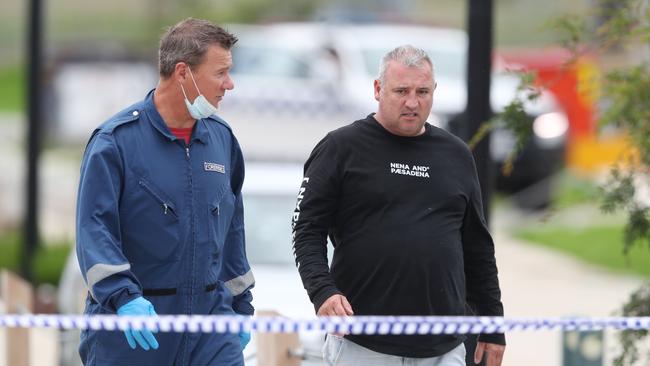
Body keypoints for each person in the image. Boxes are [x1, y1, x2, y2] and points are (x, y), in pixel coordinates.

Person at [291, 45, 506, 366]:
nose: (412, 102)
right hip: (362, 341)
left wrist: (493, 325)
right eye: (401, 91)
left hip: (443, 346)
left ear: (435, 91)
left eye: (422, 92)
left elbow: (477, 248)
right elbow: (306, 230)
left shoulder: (457, 154)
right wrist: (323, 292)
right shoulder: (341, 147)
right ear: (378, 89)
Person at [75, 18, 254, 365]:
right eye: (220, 73)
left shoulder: (222, 140)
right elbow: (93, 229)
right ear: (183, 72)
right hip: (135, 330)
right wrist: (123, 297)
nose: (229, 84)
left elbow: (233, 230)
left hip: (212, 331)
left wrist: (239, 307)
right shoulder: (115, 143)